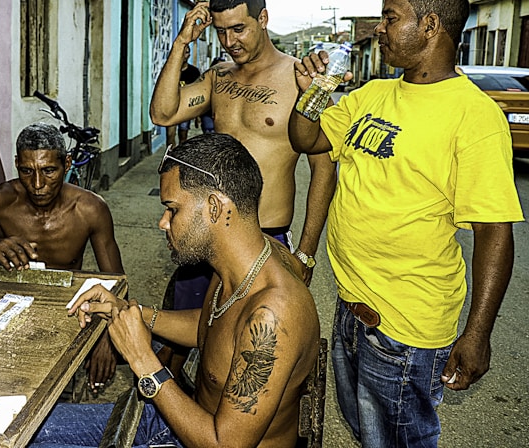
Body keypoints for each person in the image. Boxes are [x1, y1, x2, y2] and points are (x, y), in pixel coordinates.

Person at [288, 0, 524, 447]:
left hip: (406, 330)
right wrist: (313, 91)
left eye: (390, 18)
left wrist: (477, 334)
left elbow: (495, 233)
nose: (379, 28)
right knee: (365, 431)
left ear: (431, 25)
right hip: (352, 311)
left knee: (399, 441)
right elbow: (306, 137)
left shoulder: (475, 118)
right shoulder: (373, 95)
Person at [30, 133, 320, 448]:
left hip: (209, 439)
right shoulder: (244, 258)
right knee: (31, 429)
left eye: (173, 209)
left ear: (213, 207)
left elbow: (225, 445)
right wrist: (132, 313)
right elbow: (213, 328)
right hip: (186, 419)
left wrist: (144, 361)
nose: (163, 222)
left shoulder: (274, 312)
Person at [150, 0, 335, 290]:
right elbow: (163, 113)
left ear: (263, 18)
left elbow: (325, 168)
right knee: (193, 332)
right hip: (207, 233)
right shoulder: (219, 78)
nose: (229, 42)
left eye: (239, 29)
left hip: (266, 235)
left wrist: (305, 252)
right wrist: (182, 41)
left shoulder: (300, 80)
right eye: (221, 31)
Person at [0, 123, 124, 392]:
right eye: (27, 172)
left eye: (49, 171)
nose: (38, 184)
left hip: (64, 311)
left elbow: (115, 280)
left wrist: (106, 337)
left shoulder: (90, 209)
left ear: (67, 163)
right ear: (17, 164)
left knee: (54, 396)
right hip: (5, 310)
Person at [165, 44, 202, 146]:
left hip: (185, 109)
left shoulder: (194, 72)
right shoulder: (170, 71)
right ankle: (170, 159)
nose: (183, 55)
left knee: (183, 136)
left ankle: (180, 159)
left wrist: (198, 114)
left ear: (189, 55)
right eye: (181, 52)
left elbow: (198, 92)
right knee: (170, 136)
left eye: (186, 52)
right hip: (171, 108)